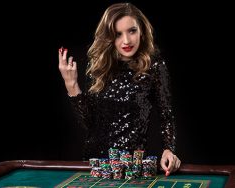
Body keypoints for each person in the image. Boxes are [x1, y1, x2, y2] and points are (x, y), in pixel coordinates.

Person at [58, 2, 181, 175]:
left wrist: (169, 149)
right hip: (96, 166)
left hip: (132, 168)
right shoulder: (98, 66)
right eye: (117, 34)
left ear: (142, 31)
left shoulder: (154, 67)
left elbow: (166, 115)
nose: (126, 40)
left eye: (132, 31)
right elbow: (90, 123)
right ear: (108, 36)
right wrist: (71, 84)